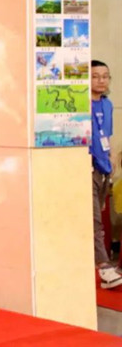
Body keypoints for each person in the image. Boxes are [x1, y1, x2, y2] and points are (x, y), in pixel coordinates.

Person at [90, 59, 122, 289]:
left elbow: (106, 136)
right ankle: (104, 266)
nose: (101, 80)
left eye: (105, 76)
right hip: (87, 166)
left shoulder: (108, 105)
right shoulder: (82, 105)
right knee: (94, 219)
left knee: (98, 216)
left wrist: (111, 159)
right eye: (95, 76)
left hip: (104, 168)